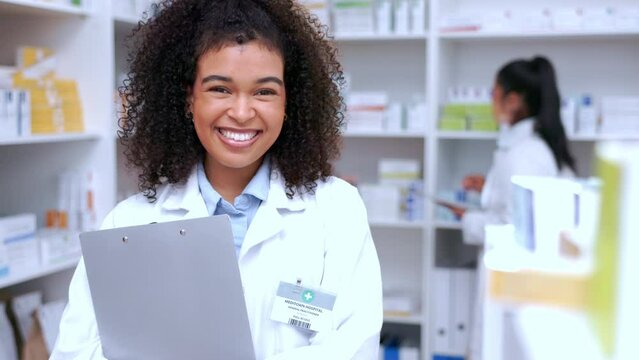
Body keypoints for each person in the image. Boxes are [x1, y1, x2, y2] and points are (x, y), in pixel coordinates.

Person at [51, 1, 382, 359]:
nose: (241, 112)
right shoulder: (128, 223)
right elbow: (74, 351)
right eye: (220, 89)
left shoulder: (336, 211)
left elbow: (355, 345)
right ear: (188, 98)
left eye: (264, 91)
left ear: (291, 102)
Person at [440, 56, 576, 360]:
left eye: (494, 93)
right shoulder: (529, 149)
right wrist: (488, 186)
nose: (491, 102)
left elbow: (518, 231)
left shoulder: (524, 155)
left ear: (512, 101)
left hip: (517, 285)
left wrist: (469, 218)